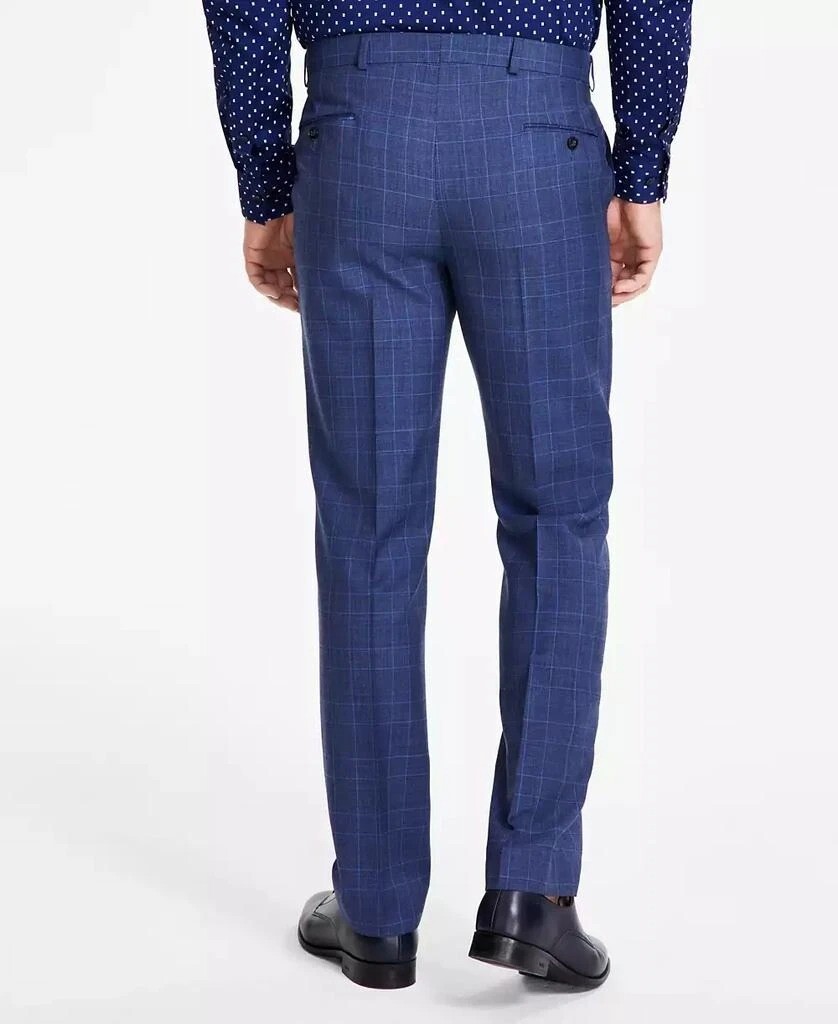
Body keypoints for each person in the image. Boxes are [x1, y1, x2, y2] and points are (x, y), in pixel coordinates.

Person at [202, 0, 692, 992]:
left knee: (367, 529)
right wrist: (641, 170)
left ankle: (376, 909)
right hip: (536, 144)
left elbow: (243, 7)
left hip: (360, 142)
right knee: (558, 519)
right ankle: (534, 894)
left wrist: (266, 185)